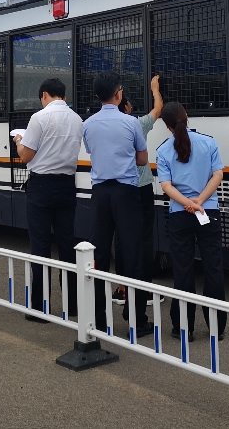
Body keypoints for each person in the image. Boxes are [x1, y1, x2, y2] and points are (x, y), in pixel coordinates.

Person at [81, 70, 152, 336]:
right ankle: (137, 319)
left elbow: (92, 152)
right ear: (118, 94)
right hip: (127, 192)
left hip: (100, 194)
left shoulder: (87, 125)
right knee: (132, 252)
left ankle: (99, 319)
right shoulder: (131, 123)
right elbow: (143, 159)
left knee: (98, 256)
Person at [156, 101, 227, 340]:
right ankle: (217, 327)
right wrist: (200, 202)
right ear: (186, 116)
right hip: (209, 213)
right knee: (213, 268)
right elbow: (218, 174)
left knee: (183, 270)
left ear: (167, 125)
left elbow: (166, 186)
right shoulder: (209, 142)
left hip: (180, 216)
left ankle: (184, 328)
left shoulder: (164, 150)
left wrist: (187, 203)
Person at [14, 78, 83, 322]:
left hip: (41, 187)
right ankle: (73, 305)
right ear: (63, 96)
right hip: (66, 186)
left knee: (41, 246)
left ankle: (40, 308)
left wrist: (19, 142)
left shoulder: (39, 118)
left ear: (44, 95)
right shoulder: (77, 119)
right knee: (67, 246)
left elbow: (26, 156)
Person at [116, 75, 164, 301]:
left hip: (118, 188)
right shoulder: (137, 124)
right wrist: (155, 88)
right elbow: (159, 109)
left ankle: (123, 288)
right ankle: (144, 290)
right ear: (126, 106)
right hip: (141, 187)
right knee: (144, 238)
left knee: (121, 235)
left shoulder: (104, 125)